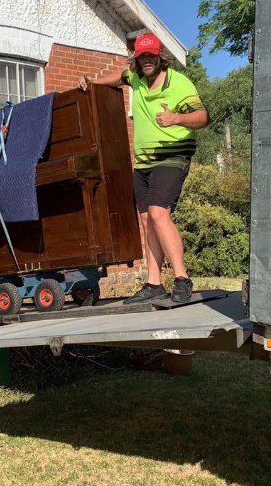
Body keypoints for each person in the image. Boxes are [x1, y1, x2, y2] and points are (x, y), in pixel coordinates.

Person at [79, 32, 209, 304]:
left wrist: (176, 118)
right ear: (137, 60)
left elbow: (202, 117)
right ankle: (153, 283)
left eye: (151, 56)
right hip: (143, 162)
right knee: (146, 220)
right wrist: (93, 82)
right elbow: (119, 77)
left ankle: (182, 279)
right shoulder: (135, 78)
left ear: (160, 57)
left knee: (159, 213)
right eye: (142, 57)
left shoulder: (178, 83)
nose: (146, 61)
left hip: (173, 156)